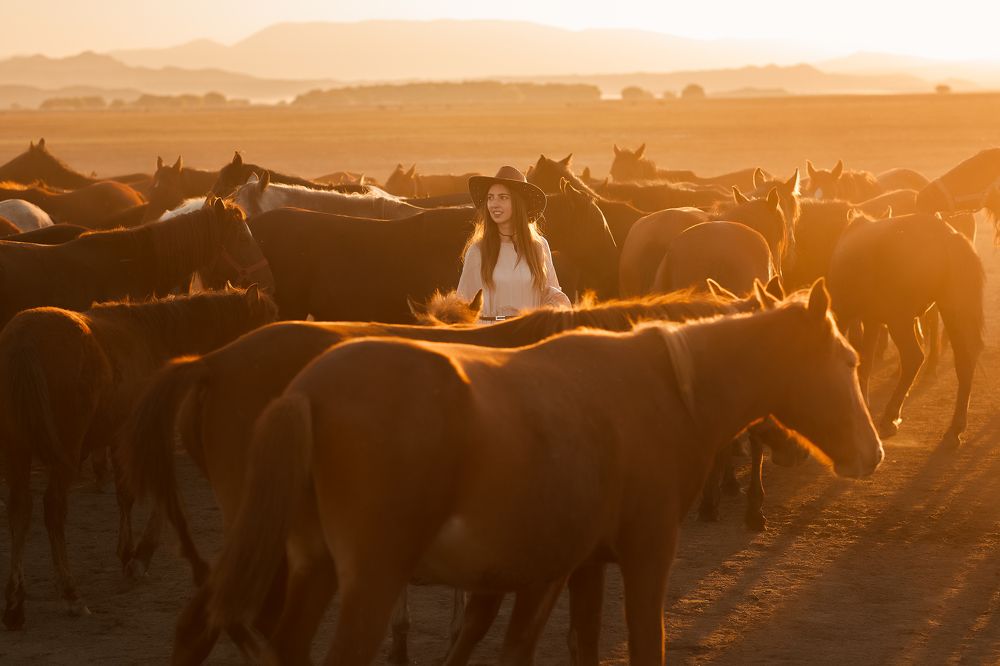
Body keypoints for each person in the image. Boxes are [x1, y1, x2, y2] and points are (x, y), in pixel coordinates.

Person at [457, 166, 571, 323]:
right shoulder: (478, 251)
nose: (494, 204)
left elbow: (552, 295)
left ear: (518, 203)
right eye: (490, 197)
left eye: (503, 197)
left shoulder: (539, 247)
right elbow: (464, 305)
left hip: (530, 332)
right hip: (491, 333)